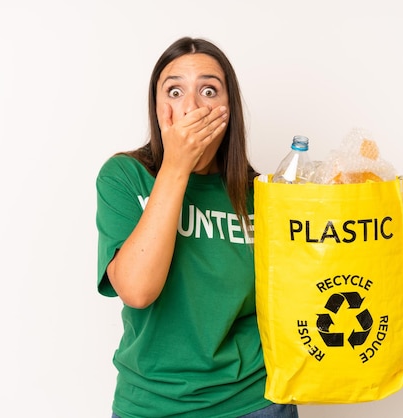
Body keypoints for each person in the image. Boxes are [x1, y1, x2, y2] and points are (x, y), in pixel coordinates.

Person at [95, 37, 299, 418]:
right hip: (150, 405)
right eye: (174, 91)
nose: (191, 107)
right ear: (157, 108)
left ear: (229, 110)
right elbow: (137, 291)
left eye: (208, 90)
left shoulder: (264, 195)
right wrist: (176, 166)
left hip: (254, 401)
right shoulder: (125, 177)